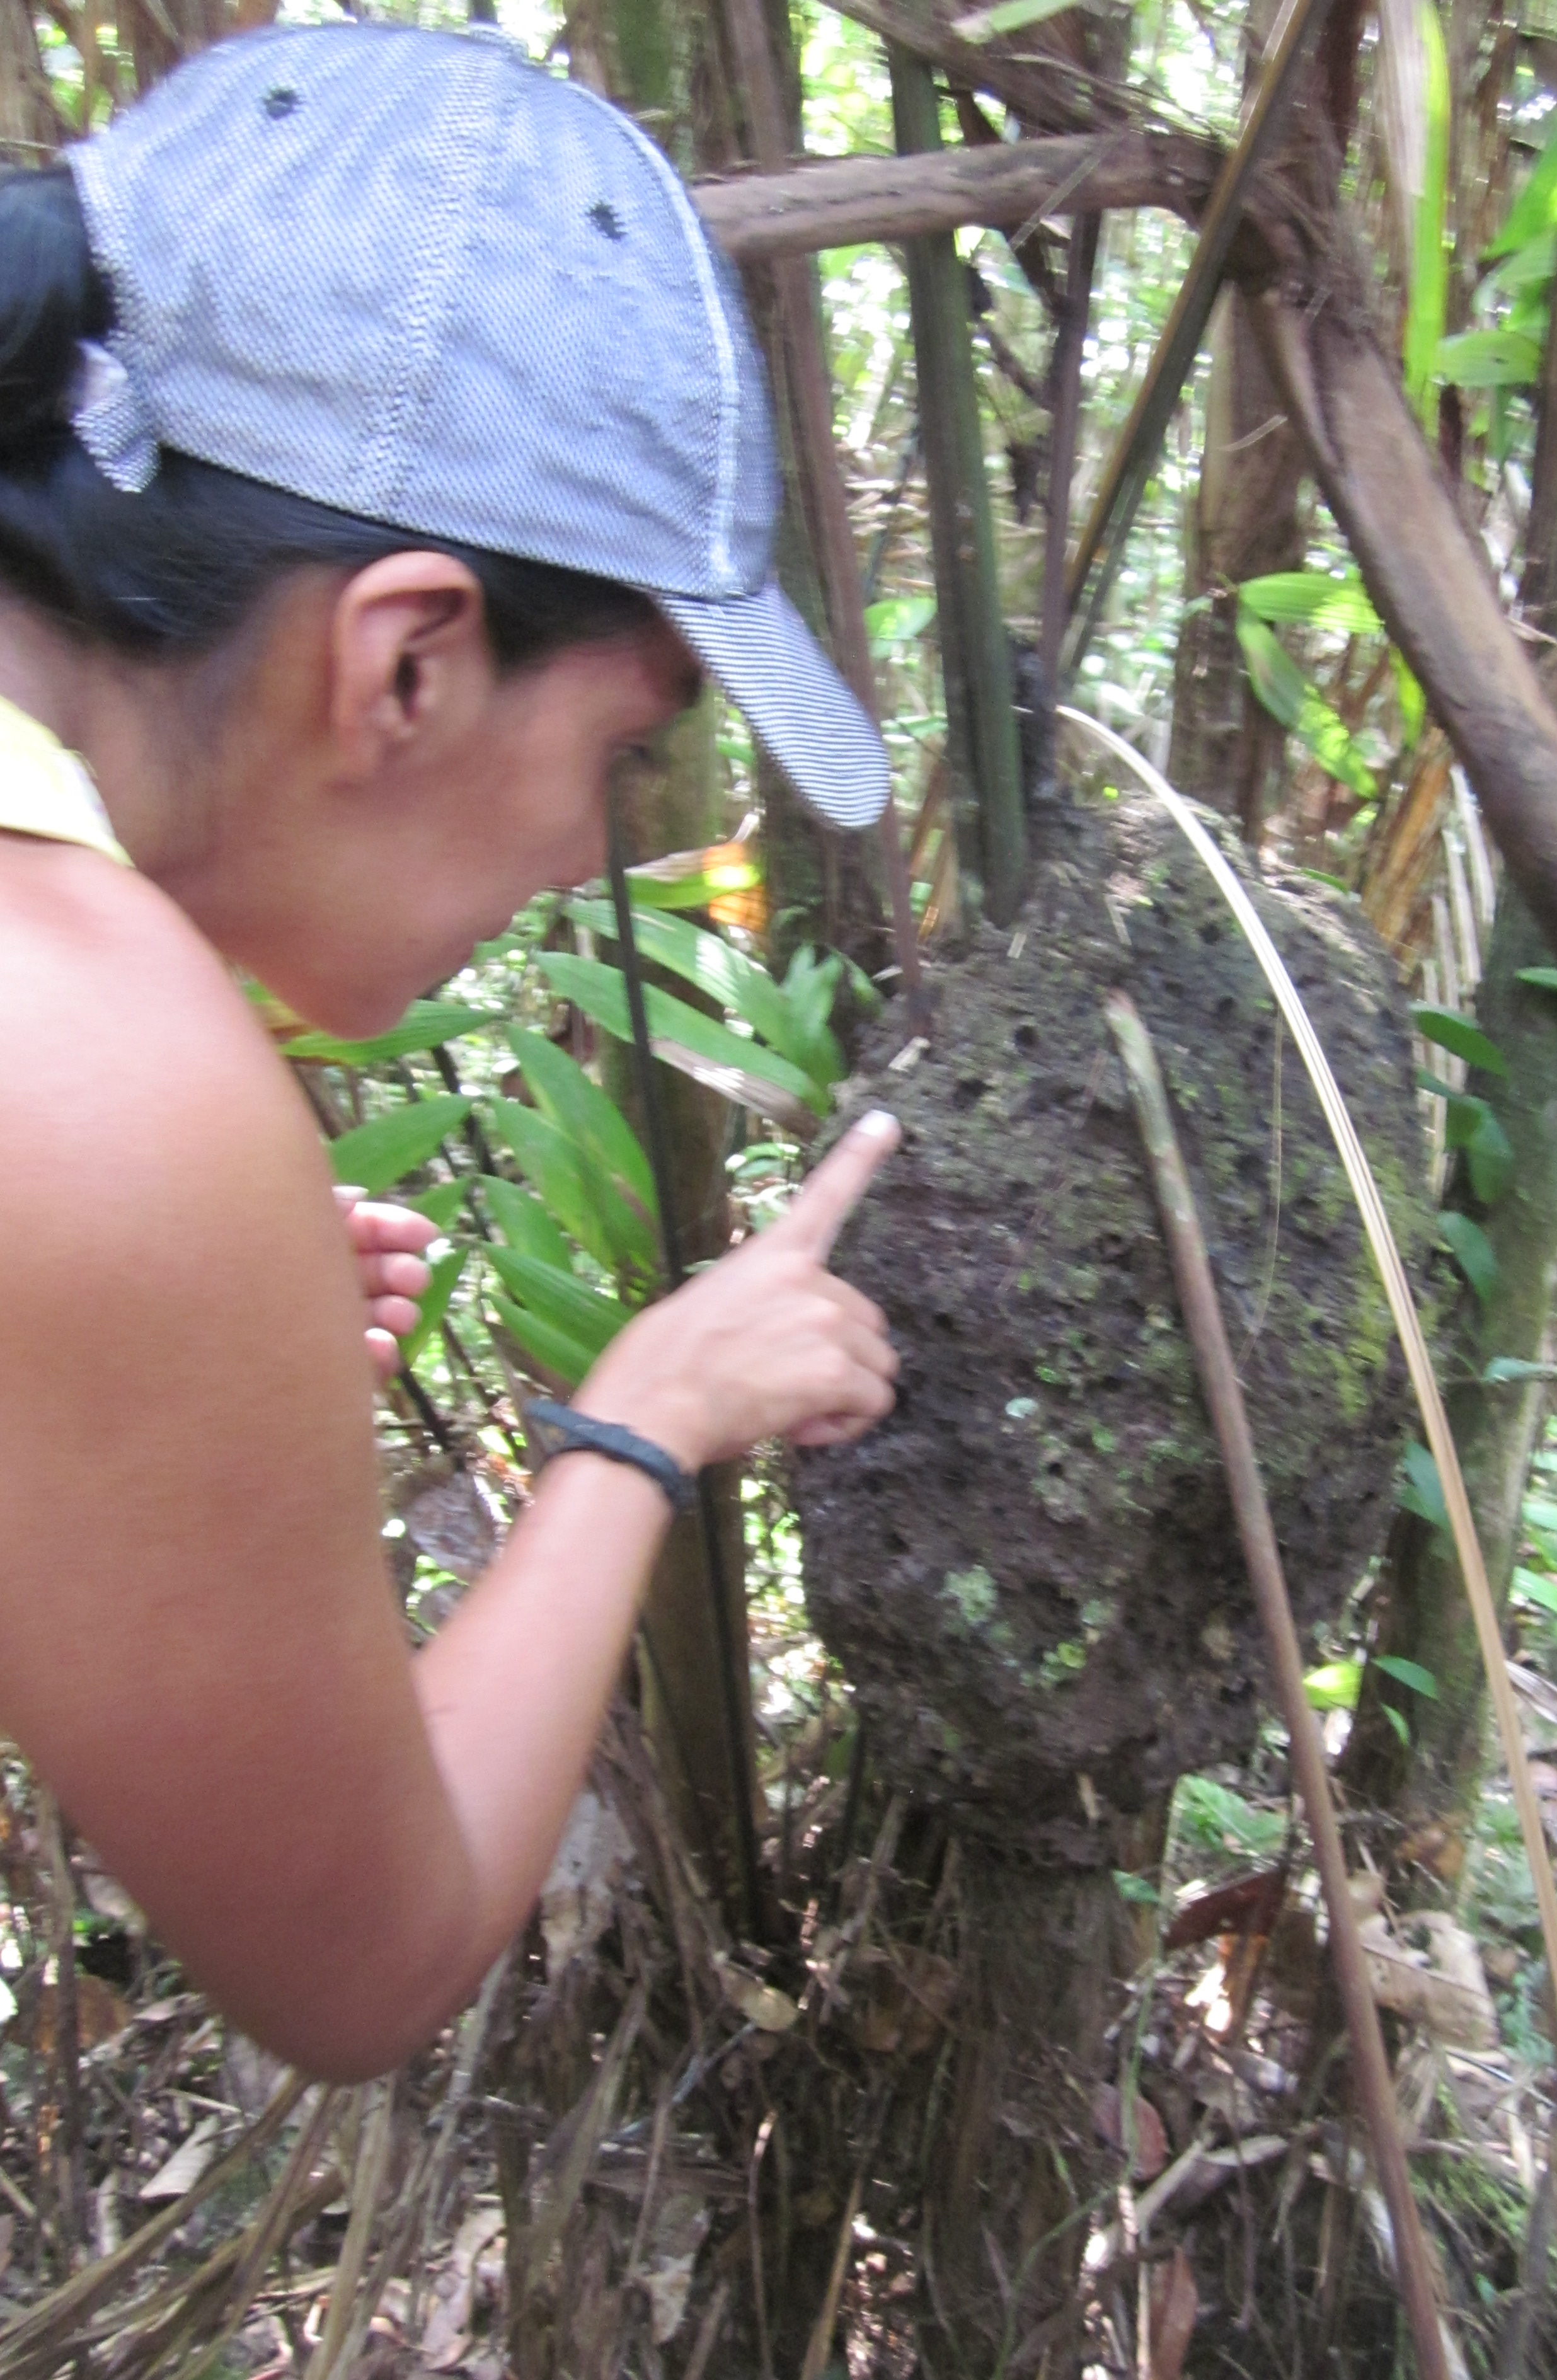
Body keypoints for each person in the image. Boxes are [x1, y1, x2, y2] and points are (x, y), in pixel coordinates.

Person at [0, 22, 903, 2080]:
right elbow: (362, 1964)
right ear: (407, 660)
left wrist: (133, 1397)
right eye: (621, 756)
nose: (598, 850)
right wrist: (647, 1414)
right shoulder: (90, 1071)